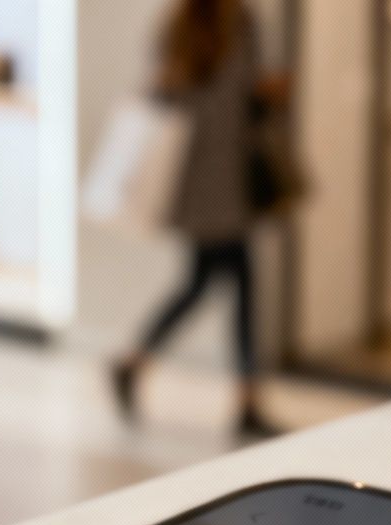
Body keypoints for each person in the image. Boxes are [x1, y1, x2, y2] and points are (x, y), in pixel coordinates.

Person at [109, 0, 284, 438]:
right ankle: (244, 398)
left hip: (214, 178)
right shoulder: (205, 24)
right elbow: (183, 96)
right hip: (209, 180)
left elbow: (232, 97)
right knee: (231, 285)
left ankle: (136, 363)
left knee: (208, 282)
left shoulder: (215, 23)